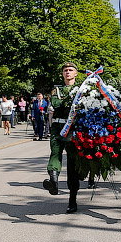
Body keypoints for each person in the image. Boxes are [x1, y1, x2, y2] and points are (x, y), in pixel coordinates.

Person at [43, 62, 81, 213]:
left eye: (71, 70)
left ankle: (72, 200)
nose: (68, 72)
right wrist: (70, 102)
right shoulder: (56, 89)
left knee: (72, 166)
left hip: (73, 129)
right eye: (65, 70)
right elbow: (55, 103)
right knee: (55, 154)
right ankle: (53, 181)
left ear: (76, 73)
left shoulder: (81, 89)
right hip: (58, 128)